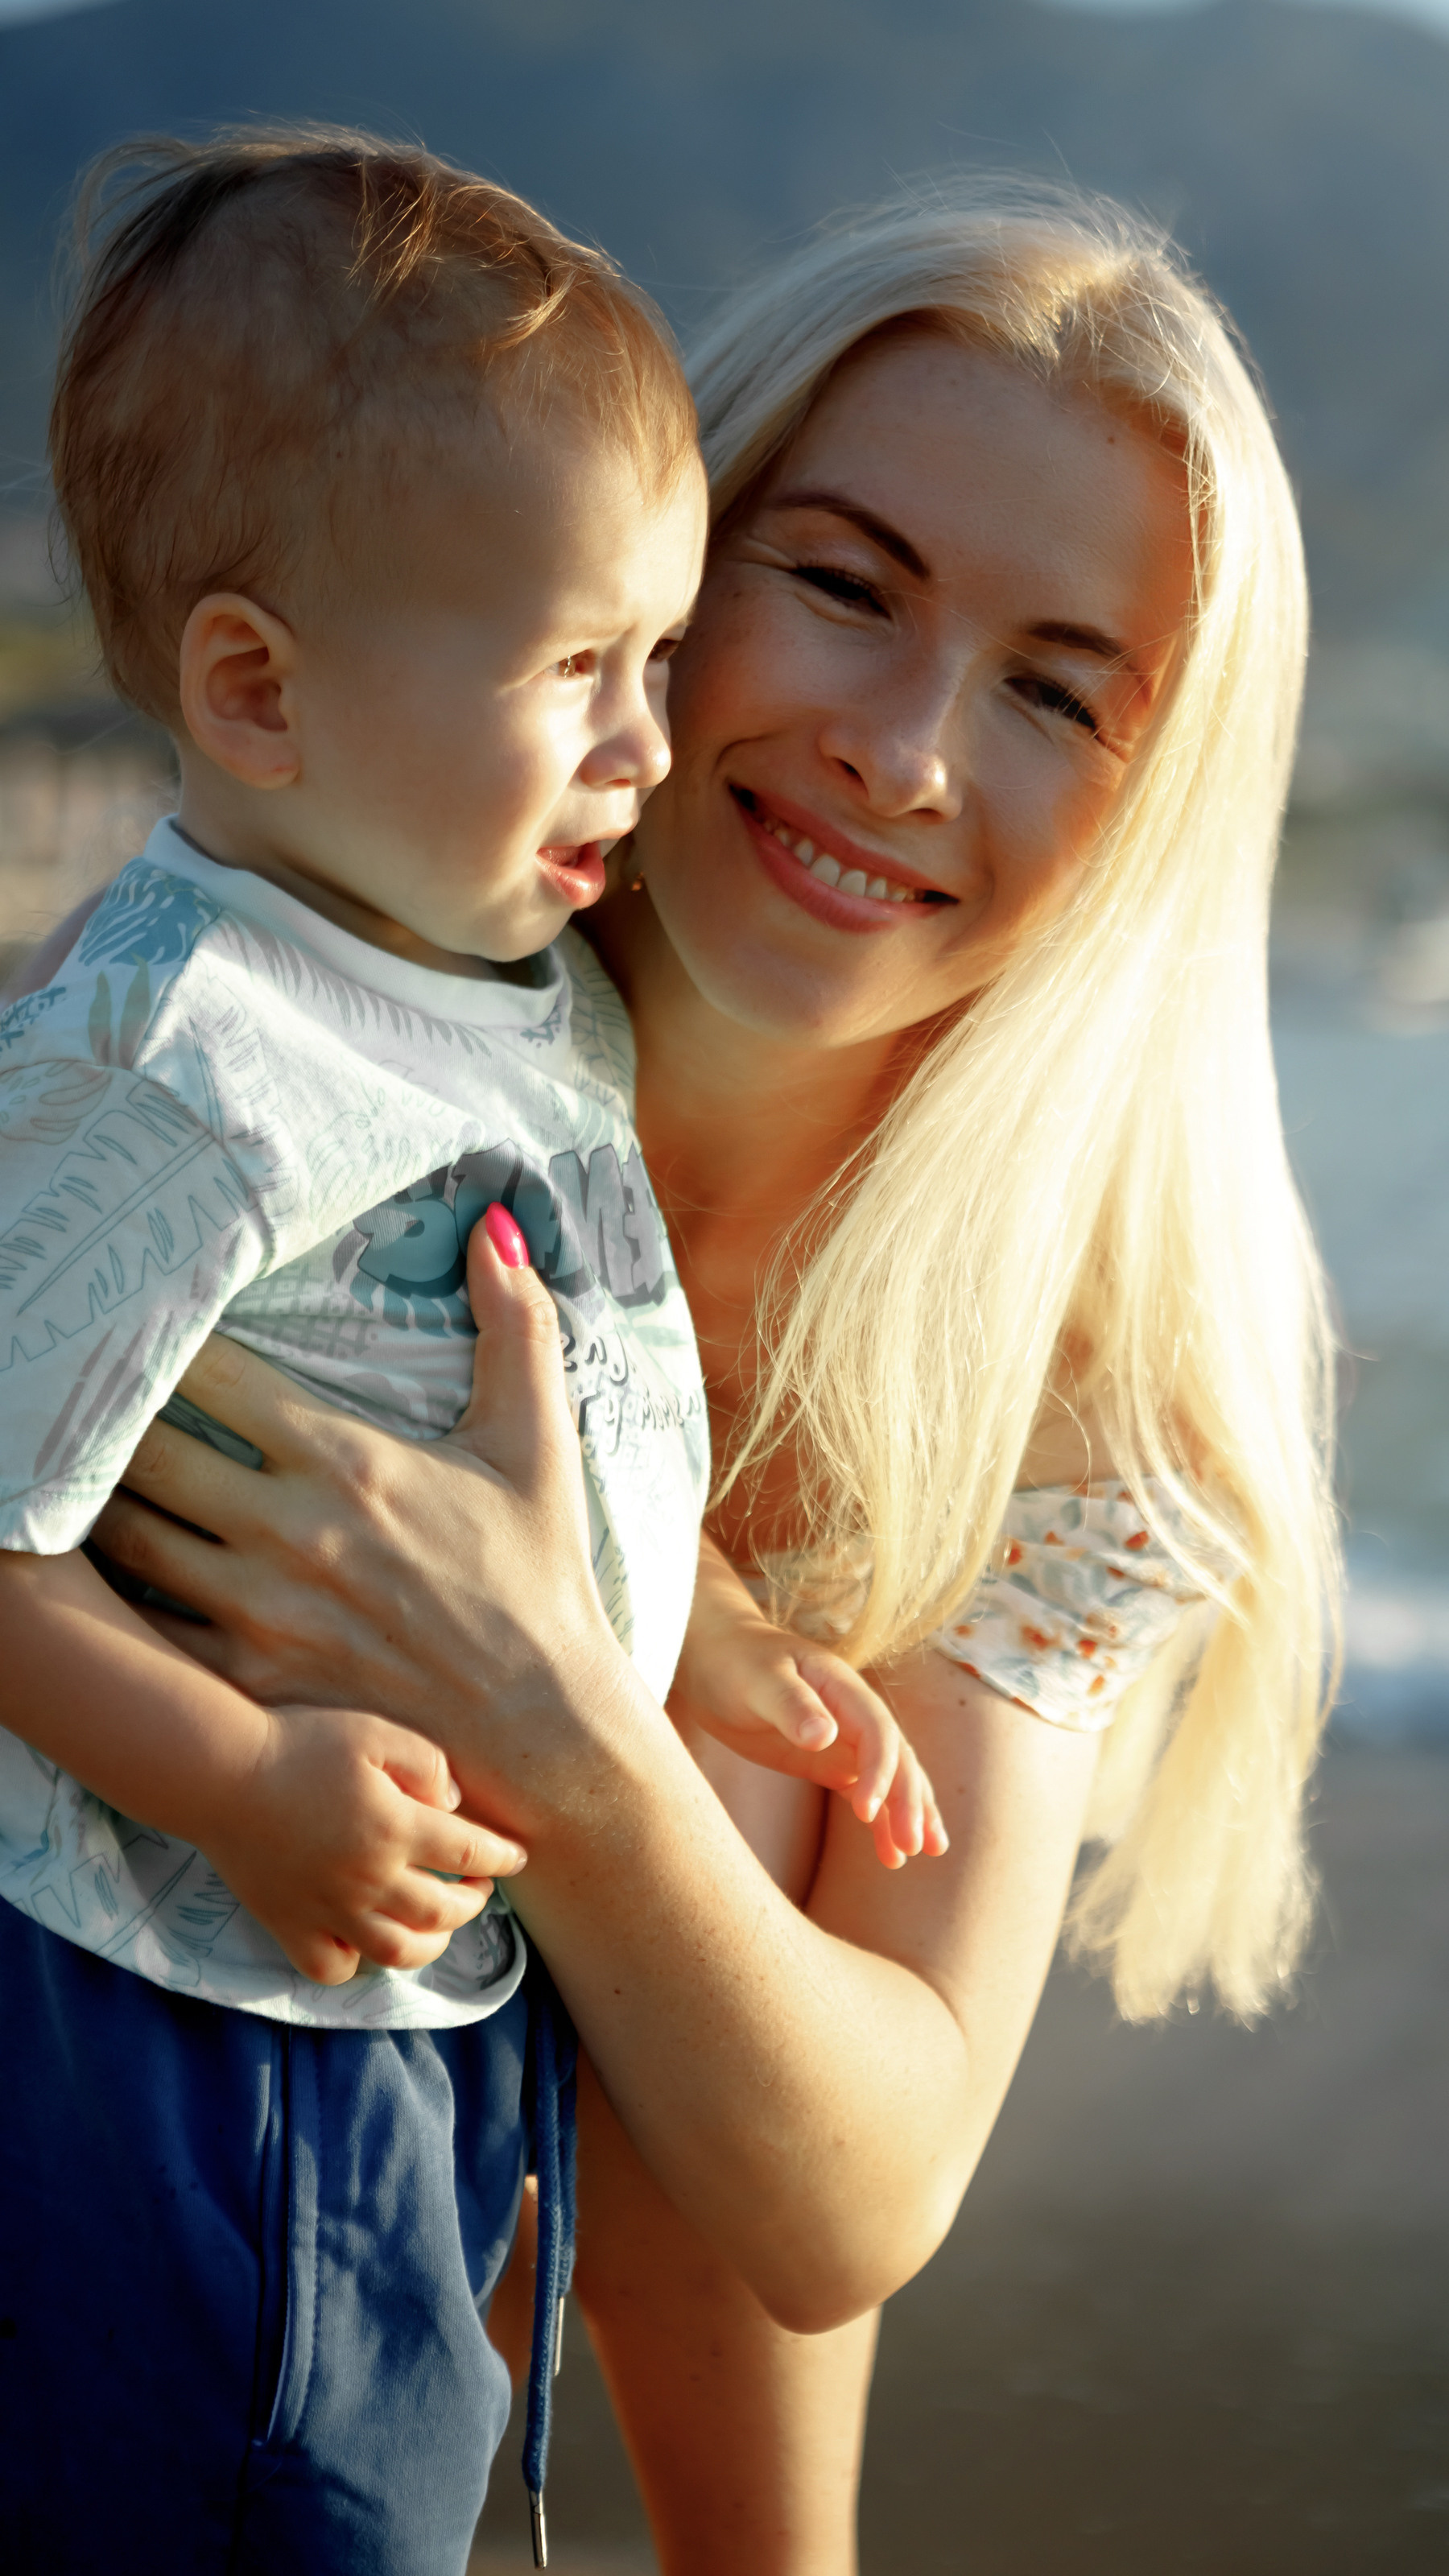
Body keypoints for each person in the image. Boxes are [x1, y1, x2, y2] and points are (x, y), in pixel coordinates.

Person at [17, 181, 1339, 2574]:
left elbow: (851, 2201)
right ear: (653, 548)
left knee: (741, 1818)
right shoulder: (302, 990)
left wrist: (577, 1724)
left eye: (1057, 691)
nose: (909, 751)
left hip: (375, 2332)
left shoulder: (1056, 1383)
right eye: (839, 583)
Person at [0, 130, 939, 2576]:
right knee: (251, 2500)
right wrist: (232, 1778)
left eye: (659, 657)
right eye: (573, 673)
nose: (648, 741)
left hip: (393, 2017)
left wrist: (702, 1636)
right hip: (179, 2027)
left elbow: (526, 1360)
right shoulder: (186, 1059)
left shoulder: (477, 969)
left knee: (380, 2493)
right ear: (253, 687)